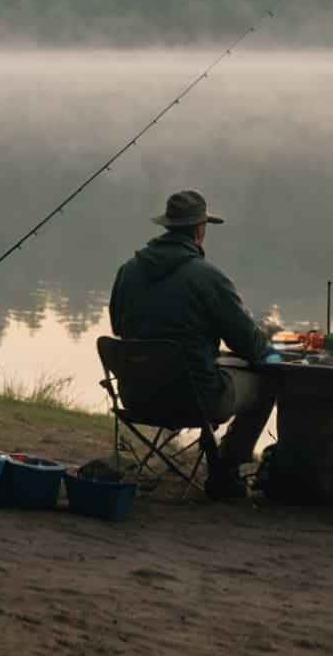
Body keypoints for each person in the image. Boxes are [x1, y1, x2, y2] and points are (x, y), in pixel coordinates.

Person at [109, 189, 282, 502]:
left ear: (167, 227)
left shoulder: (127, 271)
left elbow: (119, 328)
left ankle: (220, 462)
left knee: (209, 364)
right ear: (200, 230)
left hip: (137, 396)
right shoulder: (208, 277)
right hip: (195, 401)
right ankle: (225, 468)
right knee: (267, 379)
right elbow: (251, 346)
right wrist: (270, 340)